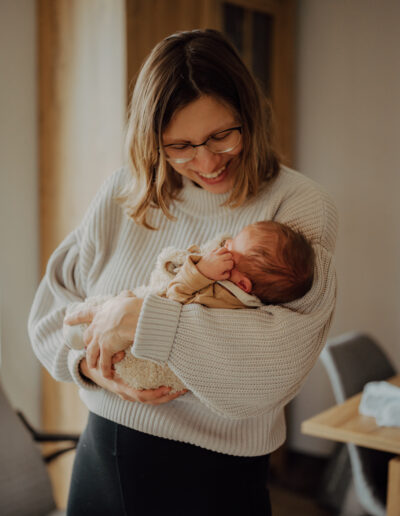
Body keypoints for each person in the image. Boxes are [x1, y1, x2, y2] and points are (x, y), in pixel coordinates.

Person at [28, 29, 337, 516]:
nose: (208, 162)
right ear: (153, 141)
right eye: (181, 146)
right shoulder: (122, 193)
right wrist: (93, 368)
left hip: (215, 473)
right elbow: (50, 312)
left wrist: (140, 318)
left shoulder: (296, 205)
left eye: (222, 135)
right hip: (102, 456)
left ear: (249, 116)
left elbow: (279, 360)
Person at [63, 220, 315, 392]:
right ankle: (83, 341)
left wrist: (200, 272)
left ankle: (80, 335)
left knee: (102, 314)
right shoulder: (236, 289)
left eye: (230, 250)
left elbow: (171, 300)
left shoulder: (221, 297)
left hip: (140, 349)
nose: (223, 246)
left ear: (243, 284)